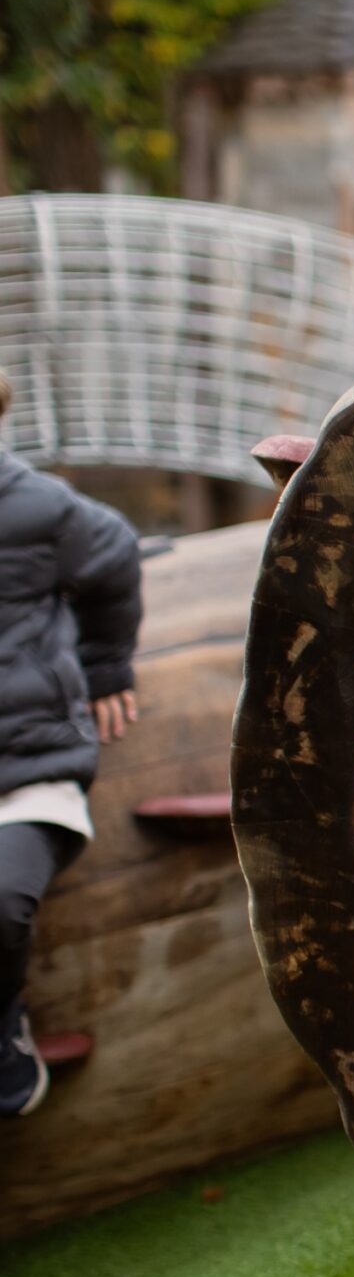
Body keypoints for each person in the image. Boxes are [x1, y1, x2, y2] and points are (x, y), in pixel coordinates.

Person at [0, 370, 144, 1114]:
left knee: (2, 897)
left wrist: (107, 664)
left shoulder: (35, 508)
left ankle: (4, 1035)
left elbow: (116, 551)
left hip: (28, 768)